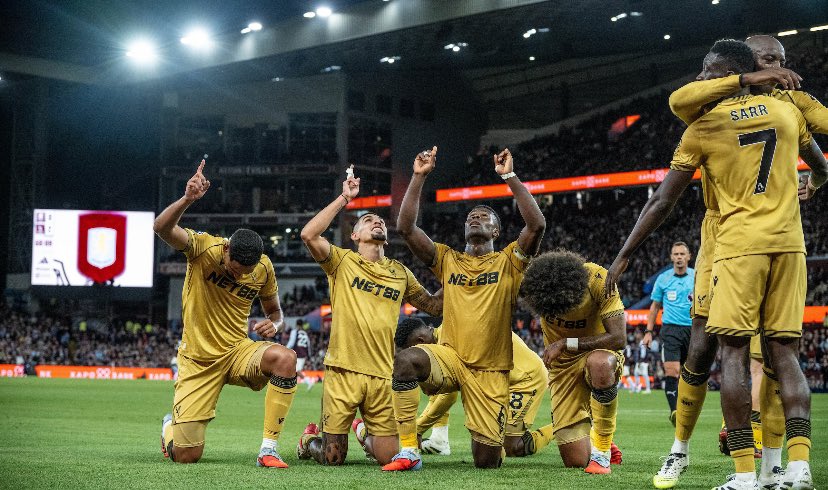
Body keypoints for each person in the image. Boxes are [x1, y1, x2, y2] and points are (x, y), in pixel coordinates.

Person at [605, 39, 827, 490]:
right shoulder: (789, 113)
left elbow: (663, 199)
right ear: (752, 68)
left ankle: (751, 472)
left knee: (733, 353)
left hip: (735, 241)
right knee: (777, 353)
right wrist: (817, 179)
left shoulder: (705, 124)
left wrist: (625, 253)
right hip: (787, 242)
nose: (702, 79)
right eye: (768, 63)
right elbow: (818, 160)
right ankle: (792, 465)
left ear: (723, 71)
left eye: (709, 71)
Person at [385, 146, 546, 470]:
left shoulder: (509, 262)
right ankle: (408, 450)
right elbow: (406, 228)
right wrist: (418, 177)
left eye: (484, 217)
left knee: (486, 460)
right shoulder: (448, 260)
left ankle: (550, 429)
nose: (475, 217)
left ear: (496, 231)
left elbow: (536, 226)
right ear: (464, 230)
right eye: (471, 217)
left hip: (490, 369)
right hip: (452, 356)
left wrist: (509, 177)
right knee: (406, 360)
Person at [154, 160, 298, 468]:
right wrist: (187, 200)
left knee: (285, 358)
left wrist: (275, 324)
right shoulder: (203, 248)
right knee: (187, 455)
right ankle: (170, 426)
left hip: (236, 351)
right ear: (227, 249)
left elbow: (275, 312)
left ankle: (268, 449)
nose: (238, 276)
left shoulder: (262, 268)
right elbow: (161, 228)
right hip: (198, 360)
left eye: (245, 273)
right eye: (233, 270)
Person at [297, 165, 442, 467]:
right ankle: (310, 440)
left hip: (382, 374)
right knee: (332, 457)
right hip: (343, 370)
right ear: (355, 234)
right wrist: (344, 198)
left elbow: (433, 306)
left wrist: (458, 279)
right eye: (368, 220)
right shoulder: (341, 262)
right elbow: (309, 234)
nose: (377, 222)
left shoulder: (400, 273)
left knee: (389, 457)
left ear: (386, 237)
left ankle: (362, 432)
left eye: (380, 221)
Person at [520, 250, 626, 474]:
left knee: (601, 364)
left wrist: (567, 343)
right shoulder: (535, 285)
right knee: (576, 460)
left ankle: (602, 449)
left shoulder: (599, 280)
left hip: (597, 353)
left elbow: (618, 338)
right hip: (562, 367)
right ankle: (593, 434)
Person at [394, 318, 555, 458]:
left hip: (525, 378)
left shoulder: (449, 341)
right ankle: (439, 440)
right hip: (501, 379)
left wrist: (418, 429)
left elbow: (448, 396)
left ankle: (560, 426)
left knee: (511, 447)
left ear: (421, 342)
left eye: (413, 349)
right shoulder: (446, 331)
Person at [646, 242, 694, 419]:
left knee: (690, 374)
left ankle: (687, 408)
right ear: (671, 257)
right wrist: (648, 332)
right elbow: (655, 306)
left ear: (689, 256)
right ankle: (675, 411)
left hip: (693, 330)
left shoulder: (697, 277)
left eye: (682, 254)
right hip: (671, 330)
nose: (679, 257)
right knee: (672, 371)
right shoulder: (663, 279)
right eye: (676, 254)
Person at [633, 329, 651, 394]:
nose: (636, 335)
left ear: (640, 335)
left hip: (642, 361)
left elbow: (643, 353)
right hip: (641, 361)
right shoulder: (641, 342)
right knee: (636, 373)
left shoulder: (643, 342)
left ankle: (648, 389)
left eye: (637, 334)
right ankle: (638, 388)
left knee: (645, 374)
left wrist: (640, 362)